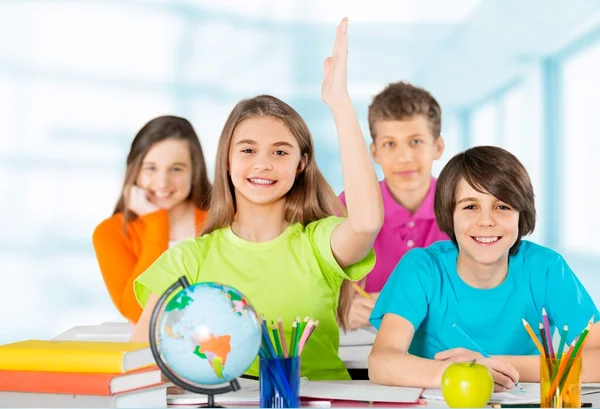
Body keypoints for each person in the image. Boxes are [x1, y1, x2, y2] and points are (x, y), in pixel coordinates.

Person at [131, 18, 383, 381]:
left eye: (281, 152)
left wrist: (340, 105)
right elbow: (138, 367)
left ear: (302, 164)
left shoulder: (318, 245)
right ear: (227, 160)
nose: (263, 163)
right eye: (248, 149)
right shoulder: (188, 259)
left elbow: (366, 222)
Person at [368, 146, 600, 391]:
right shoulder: (422, 267)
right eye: (470, 207)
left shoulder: (546, 268)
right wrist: (460, 373)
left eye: (502, 207)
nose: (486, 221)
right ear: (450, 213)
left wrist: (492, 366)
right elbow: (382, 361)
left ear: (521, 214)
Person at [339, 82, 447, 330]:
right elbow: (316, 288)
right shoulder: (346, 208)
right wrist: (341, 307)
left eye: (416, 141)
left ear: (438, 147)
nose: (404, 157)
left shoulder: (466, 209)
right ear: (374, 152)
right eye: (390, 144)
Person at [92, 115, 212, 323]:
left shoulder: (222, 221)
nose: (163, 182)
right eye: (151, 168)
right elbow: (137, 312)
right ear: (135, 170)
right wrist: (157, 223)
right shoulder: (110, 233)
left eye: (176, 169)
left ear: (195, 172)